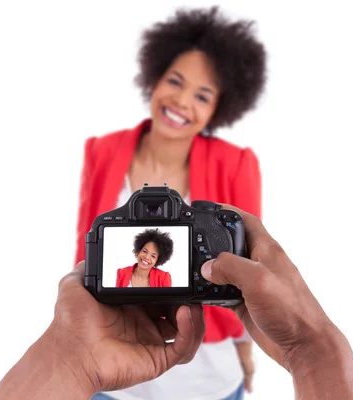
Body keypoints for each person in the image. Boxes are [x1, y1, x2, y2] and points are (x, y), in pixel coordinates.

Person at [74, 6, 266, 399]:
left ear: (219, 107)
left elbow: (249, 268)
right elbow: (85, 250)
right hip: (112, 373)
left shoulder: (237, 163)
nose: (181, 102)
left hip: (207, 377)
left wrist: (247, 350)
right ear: (154, 77)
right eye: (174, 81)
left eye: (202, 95)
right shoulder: (102, 151)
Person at [0, 205, 353, 400]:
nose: (147, 260)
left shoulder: (166, 280)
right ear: (136, 251)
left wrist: (307, 351)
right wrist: (73, 358)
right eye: (143, 253)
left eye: (155, 256)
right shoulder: (119, 275)